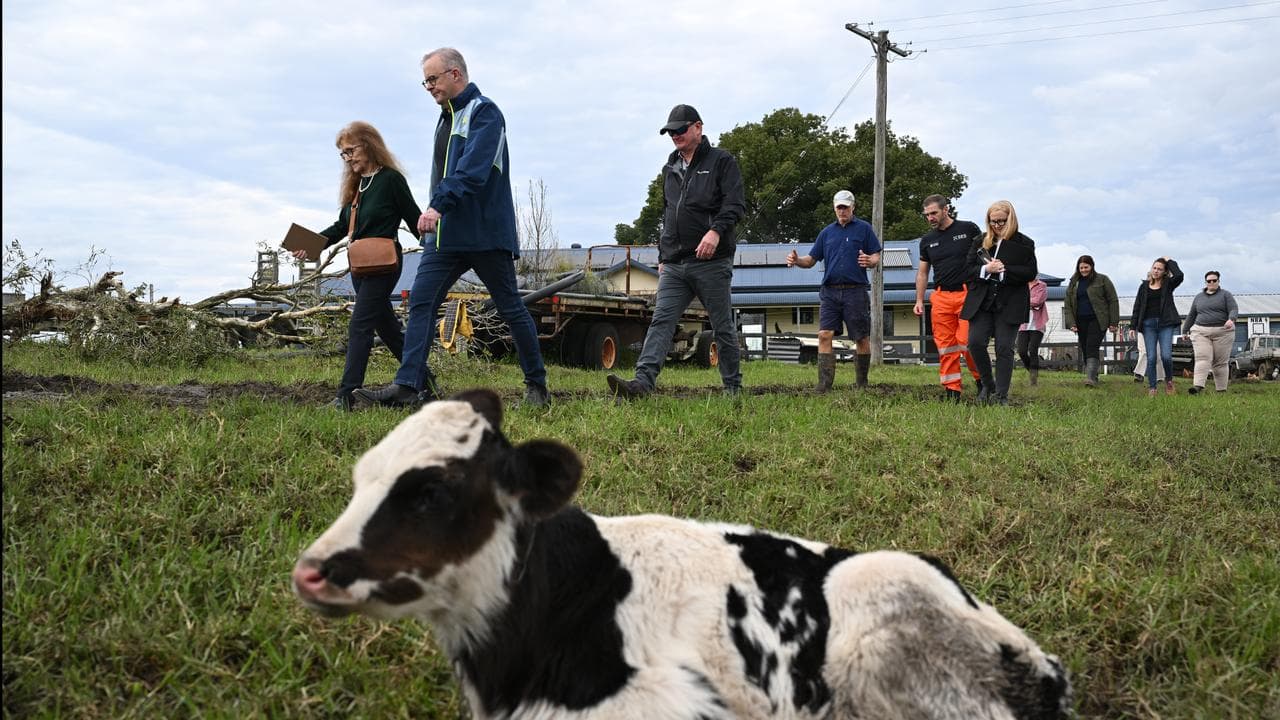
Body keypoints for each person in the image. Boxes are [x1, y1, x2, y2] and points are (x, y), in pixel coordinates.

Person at [355, 48, 550, 409]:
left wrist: (437, 206)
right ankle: (410, 387)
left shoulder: (485, 113)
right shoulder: (445, 119)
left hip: (485, 234)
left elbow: (473, 171)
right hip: (445, 238)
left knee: (510, 307)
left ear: (455, 74)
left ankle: (537, 387)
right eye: (425, 81)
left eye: (433, 79)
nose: (428, 86)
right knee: (422, 302)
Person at [606, 104, 745, 399]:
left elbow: (734, 205)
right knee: (661, 321)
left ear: (698, 127)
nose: (675, 135)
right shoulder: (669, 169)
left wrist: (715, 232)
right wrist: (663, 256)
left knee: (721, 325)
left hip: (711, 262)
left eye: (681, 129)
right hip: (675, 264)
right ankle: (641, 384)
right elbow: (668, 215)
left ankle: (733, 388)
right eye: (671, 131)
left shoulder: (721, 161)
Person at [296, 122, 421, 412]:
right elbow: (341, 226)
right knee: (387, 329)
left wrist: (438, 249)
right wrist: (311, 244)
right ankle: (424, 383)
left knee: (359, 325)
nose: (347, 158)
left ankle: (346, 396)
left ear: (369, 145)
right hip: (360, 266)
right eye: (343, 154)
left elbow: (414, 219)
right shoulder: (357, 187)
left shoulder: (390, 180)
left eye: (351, 150)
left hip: (385, 264)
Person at [785, 191, 881, 391]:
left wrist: (870, 260)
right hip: (830, 291)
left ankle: (862, 384)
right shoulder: (826, 233)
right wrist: (797, 260)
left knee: (861, 338)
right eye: (839, 207)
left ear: (853, 207)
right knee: (824, 335)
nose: (842, 211)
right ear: (834, 208)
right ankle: (824, 385)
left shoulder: (864, 229)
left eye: (845, 207)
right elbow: (810, 260)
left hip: (855, 291)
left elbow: (875, 257)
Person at [960, 200, 1038, 405]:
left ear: (1010, 219)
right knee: (975, 343)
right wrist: (986, 269)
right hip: (982, 303)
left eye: (1001, 221)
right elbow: (967, 270)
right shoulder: (980, 241)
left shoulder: (1025, 243)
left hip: (1010, 303)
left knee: (1004, 348)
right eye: (992, 221)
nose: (997, 225)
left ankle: (1001, 395)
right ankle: (988, 385)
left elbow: (1030, 272)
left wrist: (1005, 270)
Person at [913, 195, 985, 402]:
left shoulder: (968, 229)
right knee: (946, 347)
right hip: (940, 297)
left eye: (934, 213)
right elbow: (922, 273)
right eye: (927, 215)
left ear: (946, 210)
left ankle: (983, 382)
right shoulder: (927, 240)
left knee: (967, 343)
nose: (930, 218)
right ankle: (952, 391)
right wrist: (919, 300)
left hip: (967, 294)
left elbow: (984, 257)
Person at [1062, 255, 1120, 387]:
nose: (1083, 270)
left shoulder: (1102, 280)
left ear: (1092, 266)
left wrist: (1113, 322)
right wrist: (1071, 323)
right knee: (1085, 348)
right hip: (1080, 320)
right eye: (1081, 267)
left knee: (1092, 346)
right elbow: (1068, 304)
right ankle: (1094, 375)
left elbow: (1113, 300)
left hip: (1098, 320)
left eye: (1086, 267)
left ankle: (1090, 378)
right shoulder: (1074, 282)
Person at [1130, 256, 1183, 397]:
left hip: (1165, 324)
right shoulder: (1144, 287)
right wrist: (1132, 326)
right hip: (1148, 325)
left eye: (1159, 269)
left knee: (1166, 356)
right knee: (1151, 357)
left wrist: (1169, 261)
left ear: (1164, 272)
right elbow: (1137, 306)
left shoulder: (1168, 284)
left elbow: (1179, 275)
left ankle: (1169, 381)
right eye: (1154, 268)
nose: (1156, 271)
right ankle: (1152, 388)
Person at [1183, 270, 1238, 394]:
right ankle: (1197, 386)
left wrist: (1231, 319)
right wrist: (1185, 330)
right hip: (1201, 331)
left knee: (1220, 362)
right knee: (1203, 358)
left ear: (1218, 281)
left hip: (1223, 332)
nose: (1212, 282)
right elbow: (1192, 315)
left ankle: (1221, 390)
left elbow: (1233, 308)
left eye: (1214, 280)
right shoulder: (1199, 297)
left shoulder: (1226, 295)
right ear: (1205, 282)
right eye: (1209, 281)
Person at [1016, 278, 1048, 386]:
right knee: (1021, 351)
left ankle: (1033, 380)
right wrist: (1028, 301)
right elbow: (1016, 300)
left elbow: (1038, 301)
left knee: (1033, 350)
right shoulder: (1021, 285)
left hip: (1037, 324)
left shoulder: (1042, 285)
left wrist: (1024, 301)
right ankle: (1032, 371)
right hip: (1023, 324)